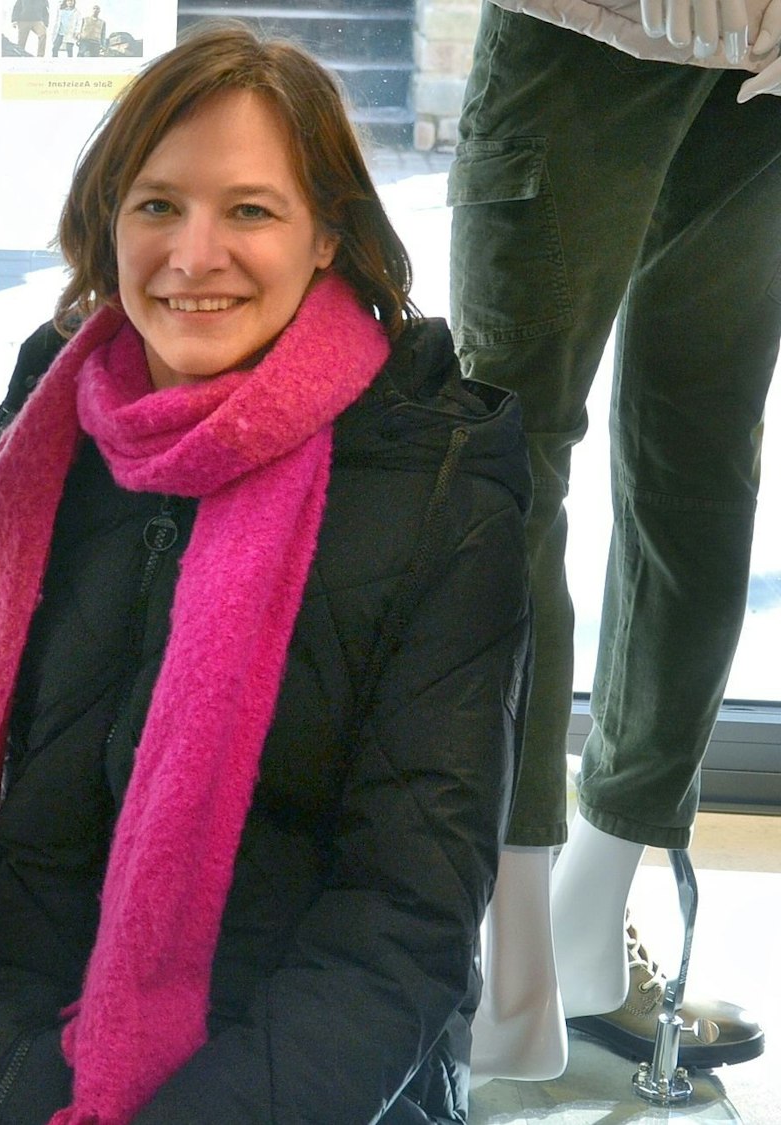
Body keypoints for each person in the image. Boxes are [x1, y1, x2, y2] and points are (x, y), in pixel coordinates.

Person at [0, 25, 529, 1124]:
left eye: (248, 209)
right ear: (106, 224)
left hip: (305, 1055)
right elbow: (13, 839)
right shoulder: (53, 417)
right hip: (16, 995)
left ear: (327, 234)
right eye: (155, 206)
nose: (192, 256)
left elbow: (404, 922)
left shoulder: (435, 477)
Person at [450, 0, 776, 1078]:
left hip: (594, 25)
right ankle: (573, 932)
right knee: (694, 445)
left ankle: (519, 963)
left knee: (509, 451)